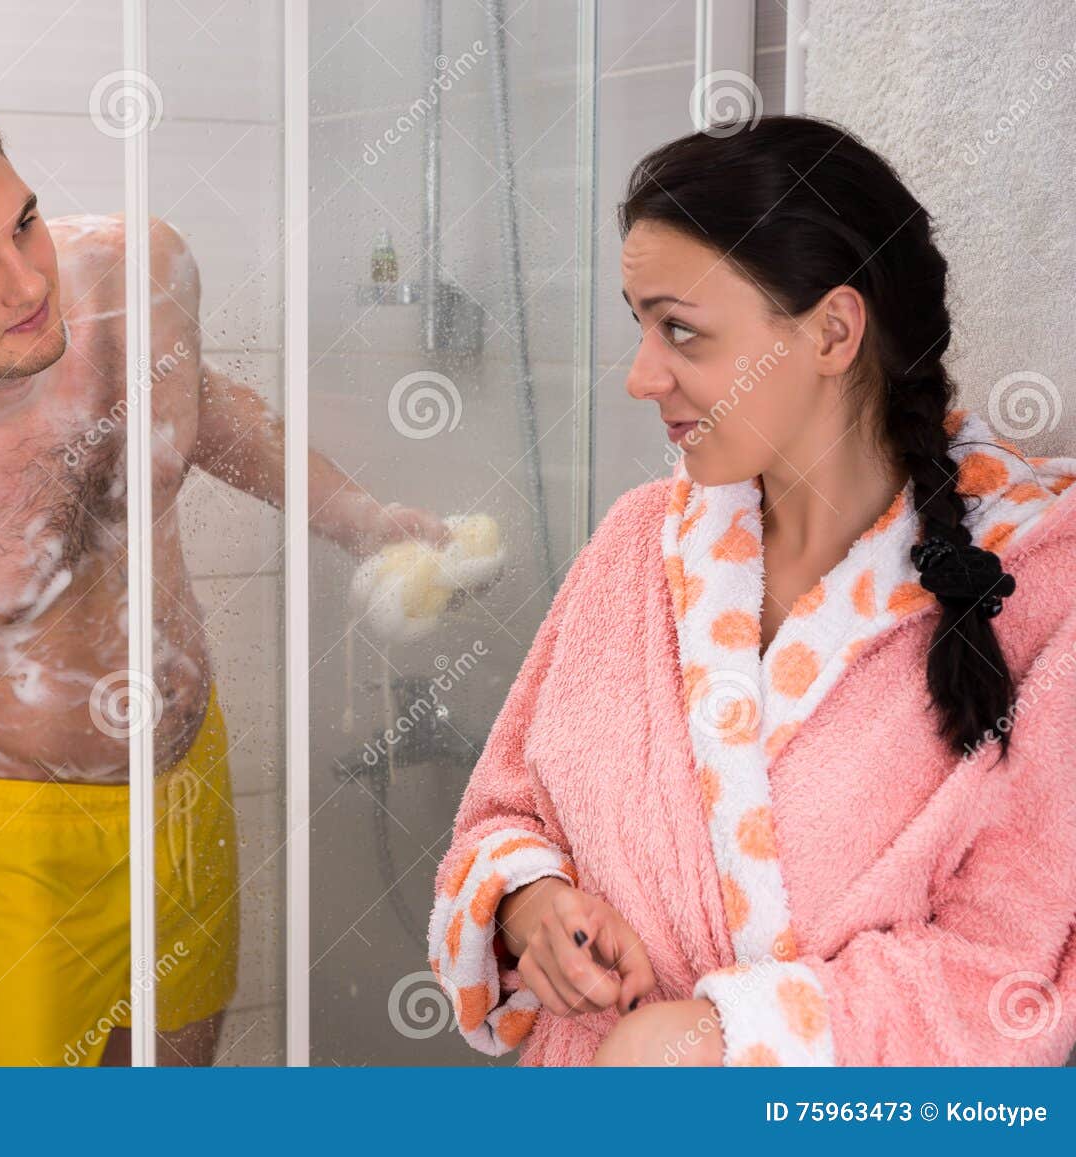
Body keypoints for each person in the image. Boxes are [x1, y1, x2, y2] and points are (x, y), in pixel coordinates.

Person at [0, 78, 449, 1067]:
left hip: (185, 780)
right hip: (17, 845)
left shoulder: (137, 276)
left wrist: (363, 520)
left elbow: (203, 412)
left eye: (25, 223)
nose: (27, 283)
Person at [429, 114, 1076, 1067]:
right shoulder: (638, 544)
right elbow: (505, 809)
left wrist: (724, 1039)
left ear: (831, 332)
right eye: (640, 325)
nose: (642, 376)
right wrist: (531, 905)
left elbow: (1017, 971)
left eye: (681, 331)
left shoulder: (1039, 583)